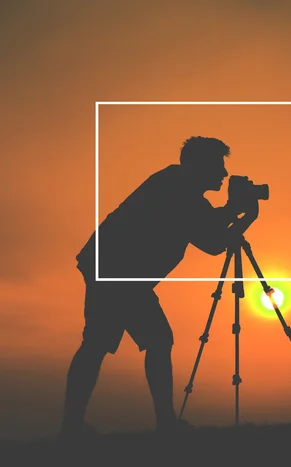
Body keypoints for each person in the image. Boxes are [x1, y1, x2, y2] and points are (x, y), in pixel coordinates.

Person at [59, 136, 258, 439]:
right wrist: (237, 212)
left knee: (111, 343)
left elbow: (212, 240)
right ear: (196, 165)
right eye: (218, 165)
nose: (223, 173)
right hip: (116, 269)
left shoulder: (180, 189)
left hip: (116, 269)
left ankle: (75, 428)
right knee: (128, 341)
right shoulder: (176, 187)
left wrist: (240, 215)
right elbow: (211, 236)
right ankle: (155, 425)